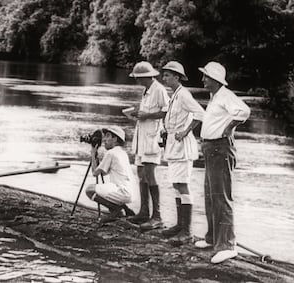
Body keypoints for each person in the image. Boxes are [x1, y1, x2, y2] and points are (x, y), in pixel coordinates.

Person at [195, 61, 251, 264]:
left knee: (221, 196)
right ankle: (212, 238)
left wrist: (228, 128)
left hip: (221, 148)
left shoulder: (226, 96)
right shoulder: (215, 97)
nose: (202, 79)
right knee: (210, 194)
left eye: (206, 77)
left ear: (216, 80)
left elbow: (244, 112)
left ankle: (227, 245)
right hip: (211, 148)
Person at [160, 61, 205, 245]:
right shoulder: (174, 96)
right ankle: (180, 225)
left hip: (182, 146)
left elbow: (200, 113)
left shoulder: (184, 95)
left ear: (177, 77)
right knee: (176, 184)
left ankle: (187, 231)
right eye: (164, 75)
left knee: (183, 184)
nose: (164, 78)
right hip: (173, 145)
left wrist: (186, 131)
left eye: (167, 75)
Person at [127, 61, 170, 230]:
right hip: (142, 137)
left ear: (146, 77)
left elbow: (167, 111)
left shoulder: (159, 90)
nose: (137, 81)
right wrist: (137, 114)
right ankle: (144, 211)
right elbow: (146, 112)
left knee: (150, 173)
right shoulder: (146, 91)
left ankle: (157, 216)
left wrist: (148, 115)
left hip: (152, 138)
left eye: (138, 78)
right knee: (140, 172)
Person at [85, 126, 135, 224]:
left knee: (89, 190)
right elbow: (103, 173)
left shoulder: (111, 153)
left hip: (122, 192)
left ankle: (116, 210)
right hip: (130, 193)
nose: (104, 140)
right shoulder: (122, 153)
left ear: (115, 139)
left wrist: (93, 153)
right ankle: (125, 209)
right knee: (103, 188)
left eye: (108, 136)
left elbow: (95, 173)